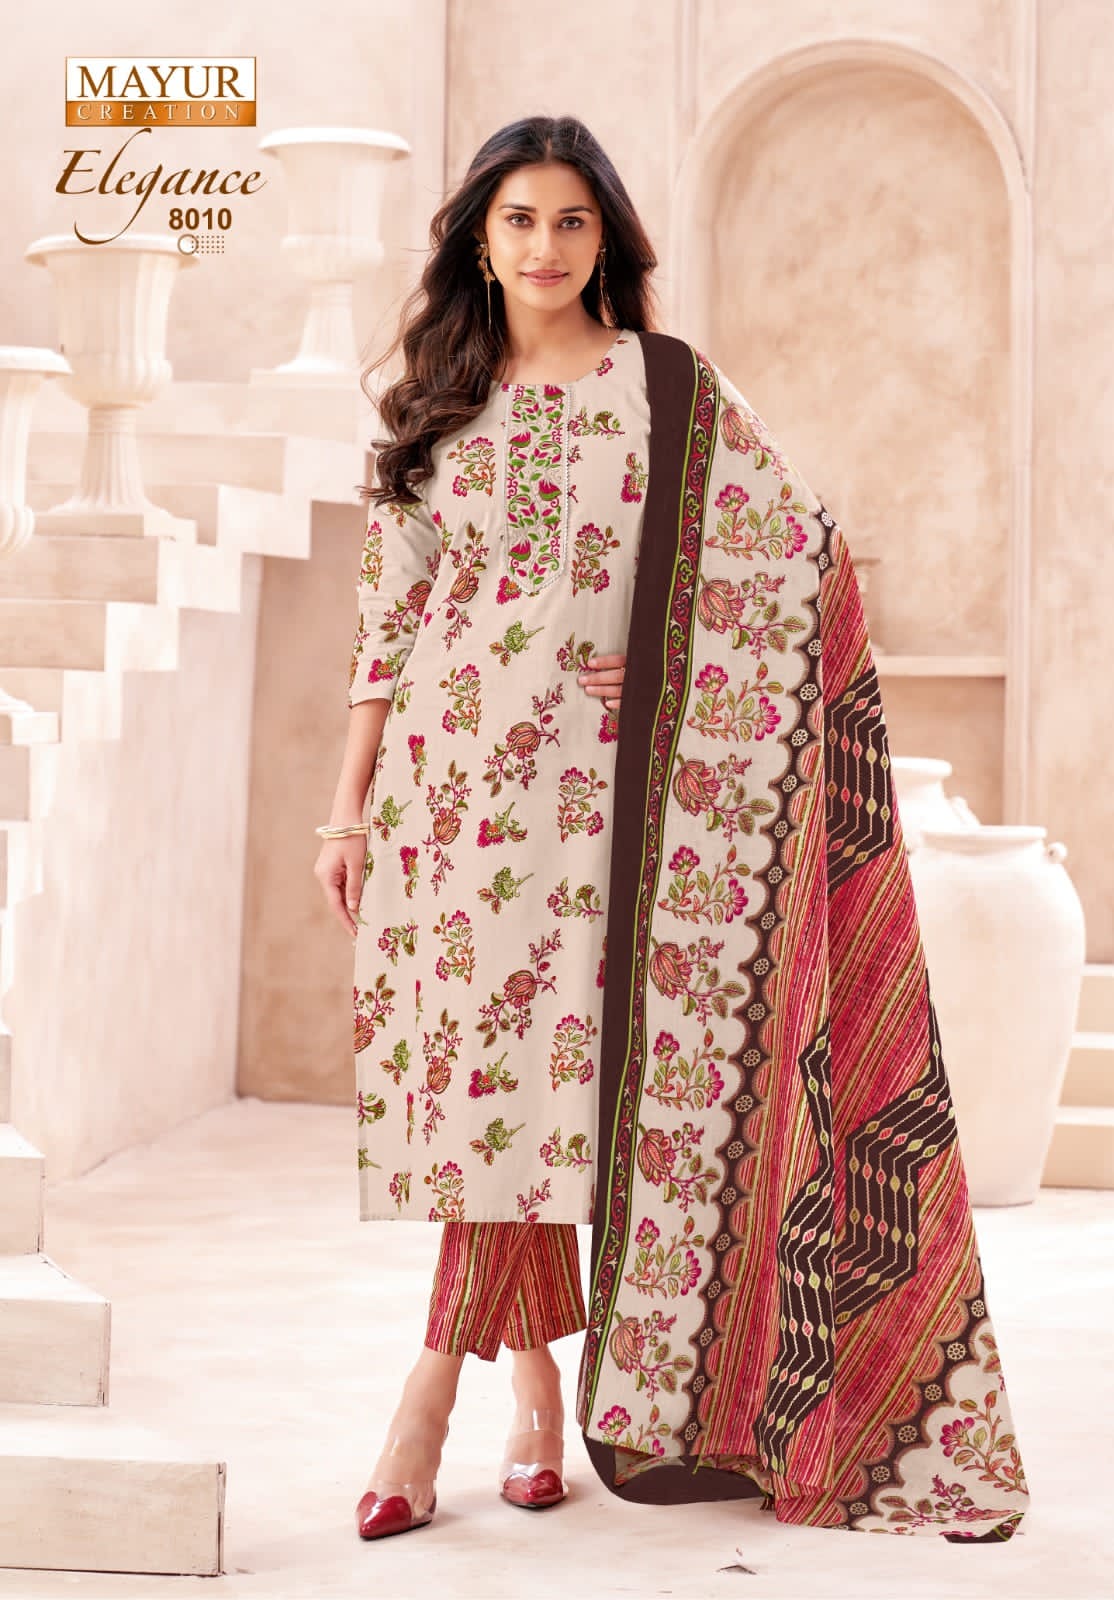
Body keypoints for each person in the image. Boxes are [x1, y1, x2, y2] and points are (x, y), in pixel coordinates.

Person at [315, 115, 1030, 1546]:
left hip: (622, 807)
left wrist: (668, 671)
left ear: (608, 241)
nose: (544, 246)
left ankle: (427, 1398)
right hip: (453, 798)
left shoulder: (668, 390)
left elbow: (800, 560)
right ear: (479, 241)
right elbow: (391, 623)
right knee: (493, 1097)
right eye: (518, 220)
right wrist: (347, 809)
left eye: (571, 220)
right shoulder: (435, 405)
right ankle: (531, 1394)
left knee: (549, 1092)